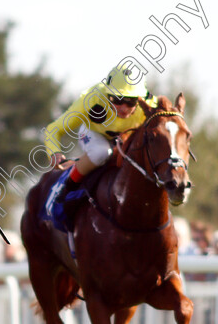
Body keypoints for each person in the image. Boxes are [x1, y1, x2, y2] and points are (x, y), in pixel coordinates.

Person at [43, 63, 159, 213]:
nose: (123, 108)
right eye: (117, 99)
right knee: (101, 152)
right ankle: (66, 188)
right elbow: (53, 129)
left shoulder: (150, 106)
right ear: (107, 94)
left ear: (141, 99)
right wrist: (54, 153)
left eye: (130, 101)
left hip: (125, 141)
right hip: (93, 132)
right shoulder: (92, 99)